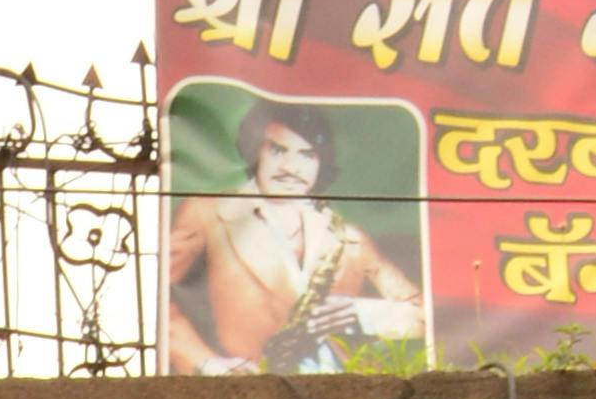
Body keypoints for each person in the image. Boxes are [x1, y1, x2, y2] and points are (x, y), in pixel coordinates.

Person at [166, 105, 422, 374]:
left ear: (321, 163)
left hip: (341, 396)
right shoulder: (206, 213)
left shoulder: (349, 237)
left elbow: (421, 314)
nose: (291, 167)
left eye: (307, 155)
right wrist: (207, 362)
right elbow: (161, 299)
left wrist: (361, 312)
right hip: (251, 392)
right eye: (277, 151)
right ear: (255, 153)